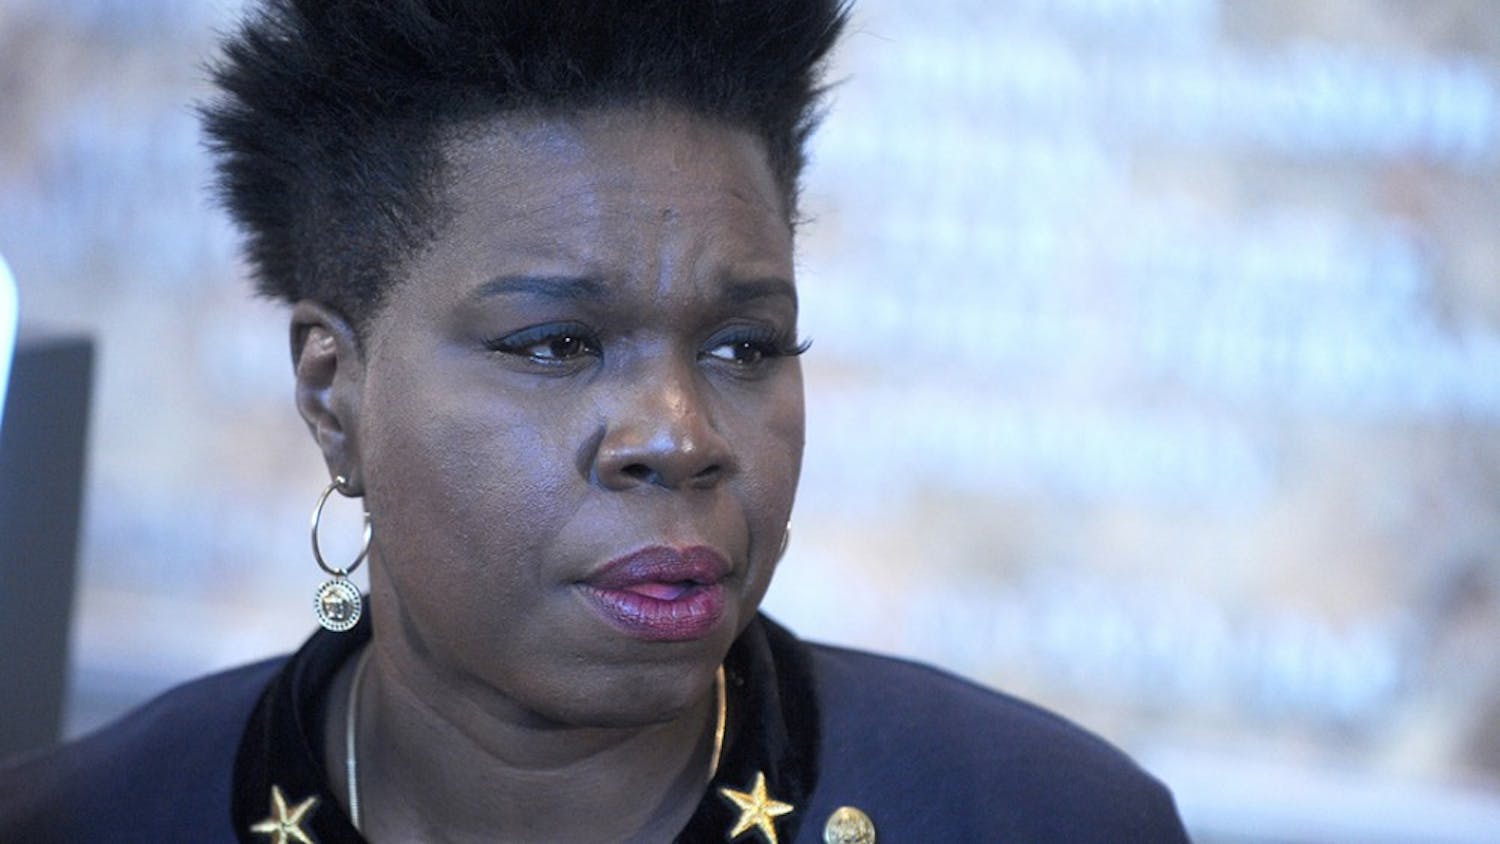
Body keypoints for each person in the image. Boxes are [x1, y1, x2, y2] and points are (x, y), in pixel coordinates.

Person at [0, 1, 1190, 841]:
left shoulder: (1033, 814)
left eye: (745, 345)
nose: (679, 434)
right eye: (555, 345)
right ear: (333, 394)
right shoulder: (90, 819)